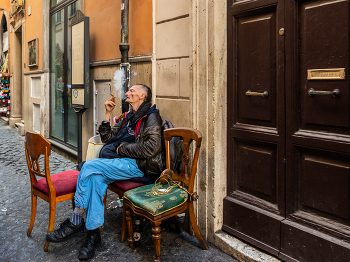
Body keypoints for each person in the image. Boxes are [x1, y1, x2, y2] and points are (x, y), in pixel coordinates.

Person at [46, 84, 163, 260]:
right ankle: (93, 235)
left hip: (138, 166)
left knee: (88, 167)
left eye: (132, 91)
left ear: (142, 96)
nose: (127, 93)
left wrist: (122, 149)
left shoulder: (151, 117)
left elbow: (151, 148)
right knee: (95, 179)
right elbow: (107, 138)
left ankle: (76, 219)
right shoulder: (128, 117)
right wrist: (108, 114)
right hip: (118, 163)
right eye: (128, 90)